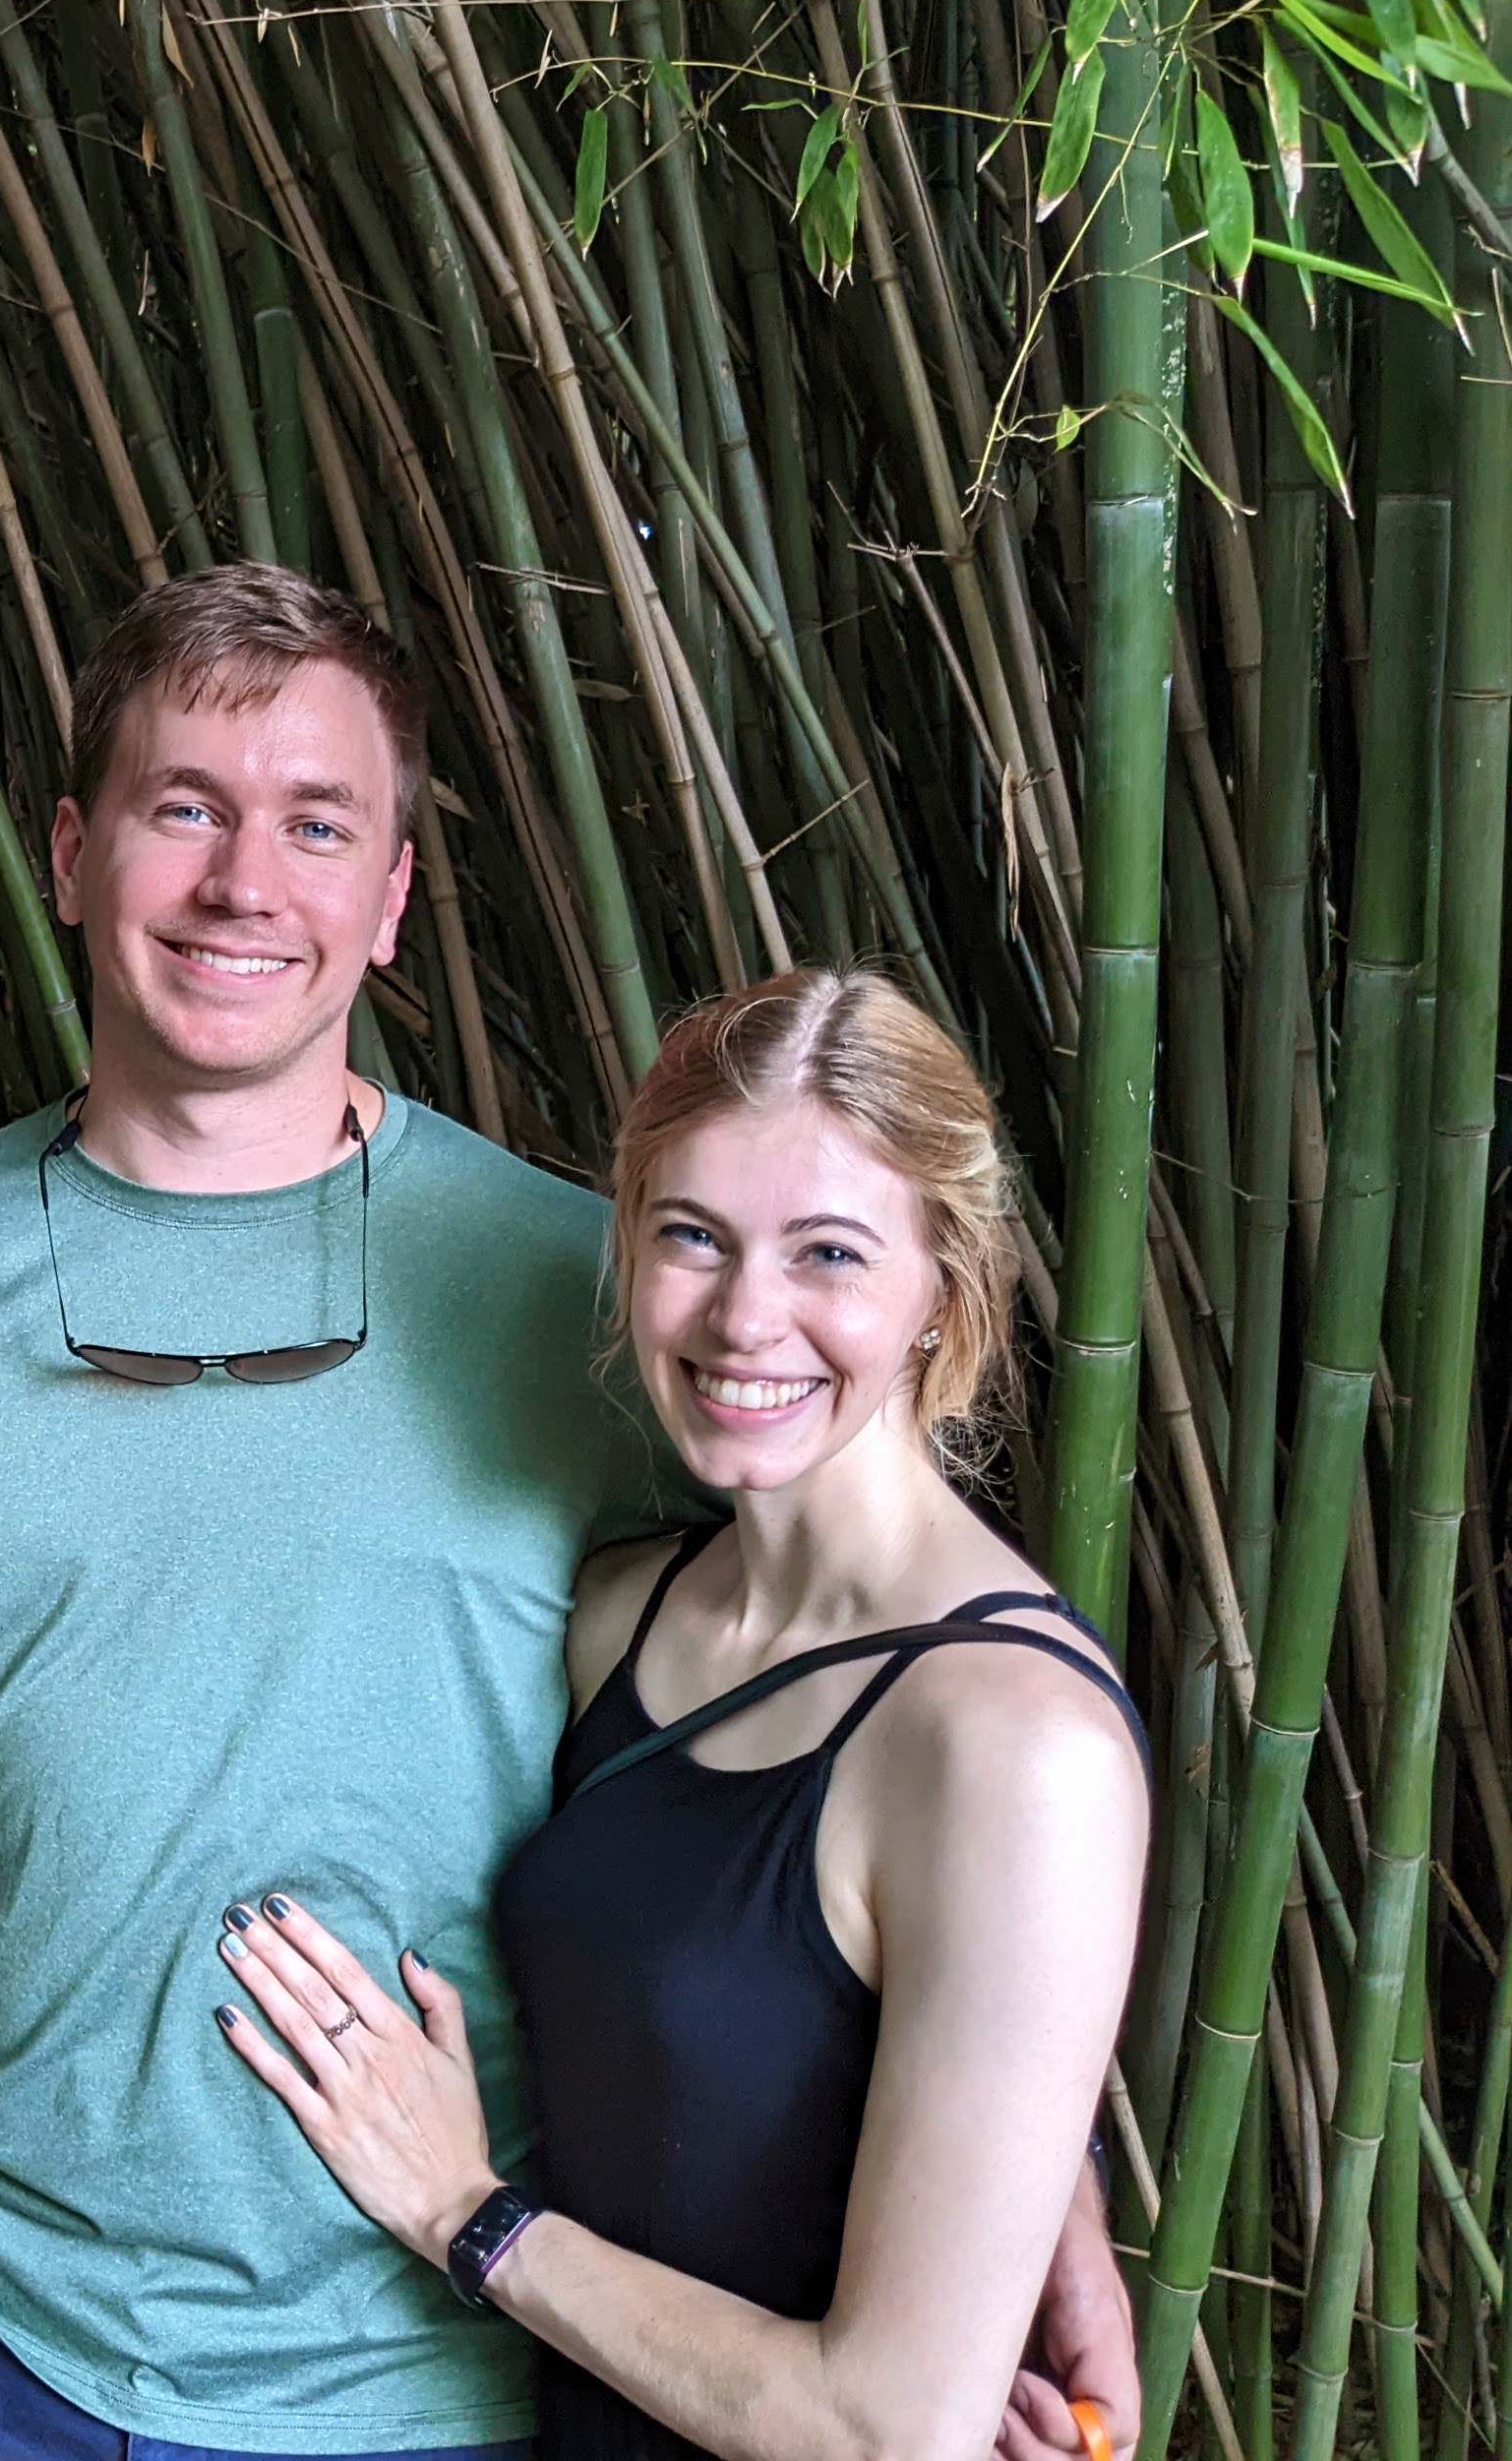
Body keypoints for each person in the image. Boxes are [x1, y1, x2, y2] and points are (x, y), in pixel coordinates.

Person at [0, 564, 1136, 2460]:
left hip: (426, 2376)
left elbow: (854, 1694)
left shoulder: (610, 1303)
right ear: (72, 855)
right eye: (183, 807)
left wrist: (1035, 2180)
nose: (241, 883)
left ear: (390, 899)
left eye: (316, 824)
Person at [214, 968, 1149, 2461]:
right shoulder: (621, 1615)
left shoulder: (1014, 1747)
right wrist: (1049, 2188)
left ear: (944, 1290)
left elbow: (886, 2431)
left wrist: (466, 2213)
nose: (745, 1317)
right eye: (692, 1237)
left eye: (830, 1252)